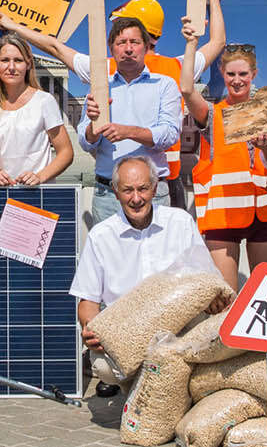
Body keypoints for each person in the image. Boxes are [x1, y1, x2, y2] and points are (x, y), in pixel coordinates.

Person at [0, 0, 225, 196]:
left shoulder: (102, 68)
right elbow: (217, 43)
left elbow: (55, 48)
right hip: (164, 182)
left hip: (121, 185)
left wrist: (14, 27)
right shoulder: (178, 67)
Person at [69, 157, 221, 395]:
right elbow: (87, 301)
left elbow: (207, 279)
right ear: (116, 192)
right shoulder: (101, 236)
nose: (136, 198)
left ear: (155, 187)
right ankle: (147, 391)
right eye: (128, 190)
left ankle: (170, 392)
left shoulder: (180, 223)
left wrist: (215, 299)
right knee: (102, 366)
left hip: (177, 332)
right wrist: (90, 328)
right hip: (129, 337)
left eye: (143, 189)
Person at [180, 40, 267, 287]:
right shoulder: (212, 114)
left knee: (264, 293)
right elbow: (186, 89)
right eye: (231, 74)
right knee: (226, 298)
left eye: (243, 74)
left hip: (262, 214)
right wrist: (191, 44)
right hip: (222, 218)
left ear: (253, 75)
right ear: (223, 75)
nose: (237, 80)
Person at [75, 16, 181, 224]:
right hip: (107, 193)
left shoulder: (165, 85)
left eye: (135, 42)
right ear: (111, 49)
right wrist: (92, 128)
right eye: (121, 43)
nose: (128, 48)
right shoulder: (99, 86)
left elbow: (170, 134)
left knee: (156, 257)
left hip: (153, 193)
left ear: (146, 46)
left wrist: (129, 132)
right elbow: (84, 141)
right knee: (110, 257)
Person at [0, 34, 74, 186]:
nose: (11, 67)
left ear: (28, 64)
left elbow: (66, 152)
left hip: (39, 193)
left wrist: (40, 177)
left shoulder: (44, 101)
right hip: (5, 192)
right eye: (5, 60)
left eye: (18, 60)